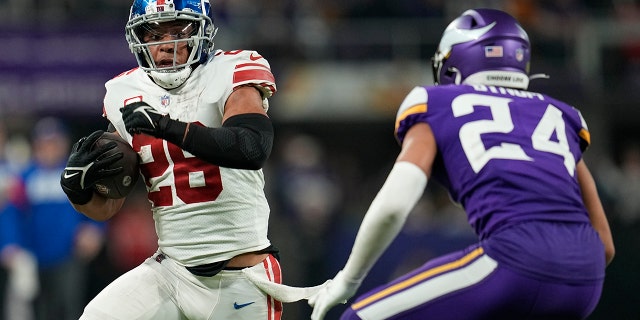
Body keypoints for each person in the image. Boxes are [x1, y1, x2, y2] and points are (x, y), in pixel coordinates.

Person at [308, 8, 615, 320]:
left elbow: (392, 208)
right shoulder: (560, 115)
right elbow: (605, 245)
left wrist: (348, 280)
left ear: (453, 64)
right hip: (586, 279)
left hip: (513, 259)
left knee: (356, 318)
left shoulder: (438, 103)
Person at [58, 0, 287, 319]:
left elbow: (250, 147)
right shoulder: (124, 92)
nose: (166, 45)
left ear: (202, 32)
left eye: (177, 32)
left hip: (240, 278)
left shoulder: (232, 70)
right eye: (153, 35)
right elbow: (107, 207)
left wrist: (165, 126)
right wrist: (78, 189)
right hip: (170, 272)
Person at [1, 117, 106, 320]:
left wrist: (95, 230)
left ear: (63, 145)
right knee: (37, 310)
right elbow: (11, 213)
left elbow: (97, 206)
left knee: (69, 307)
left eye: (53, 144)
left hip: (69, 255)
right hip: (33, 259)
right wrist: (11, 245)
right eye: (44, 144)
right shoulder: (24, 178)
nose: (49, 149)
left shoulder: (76, 174)